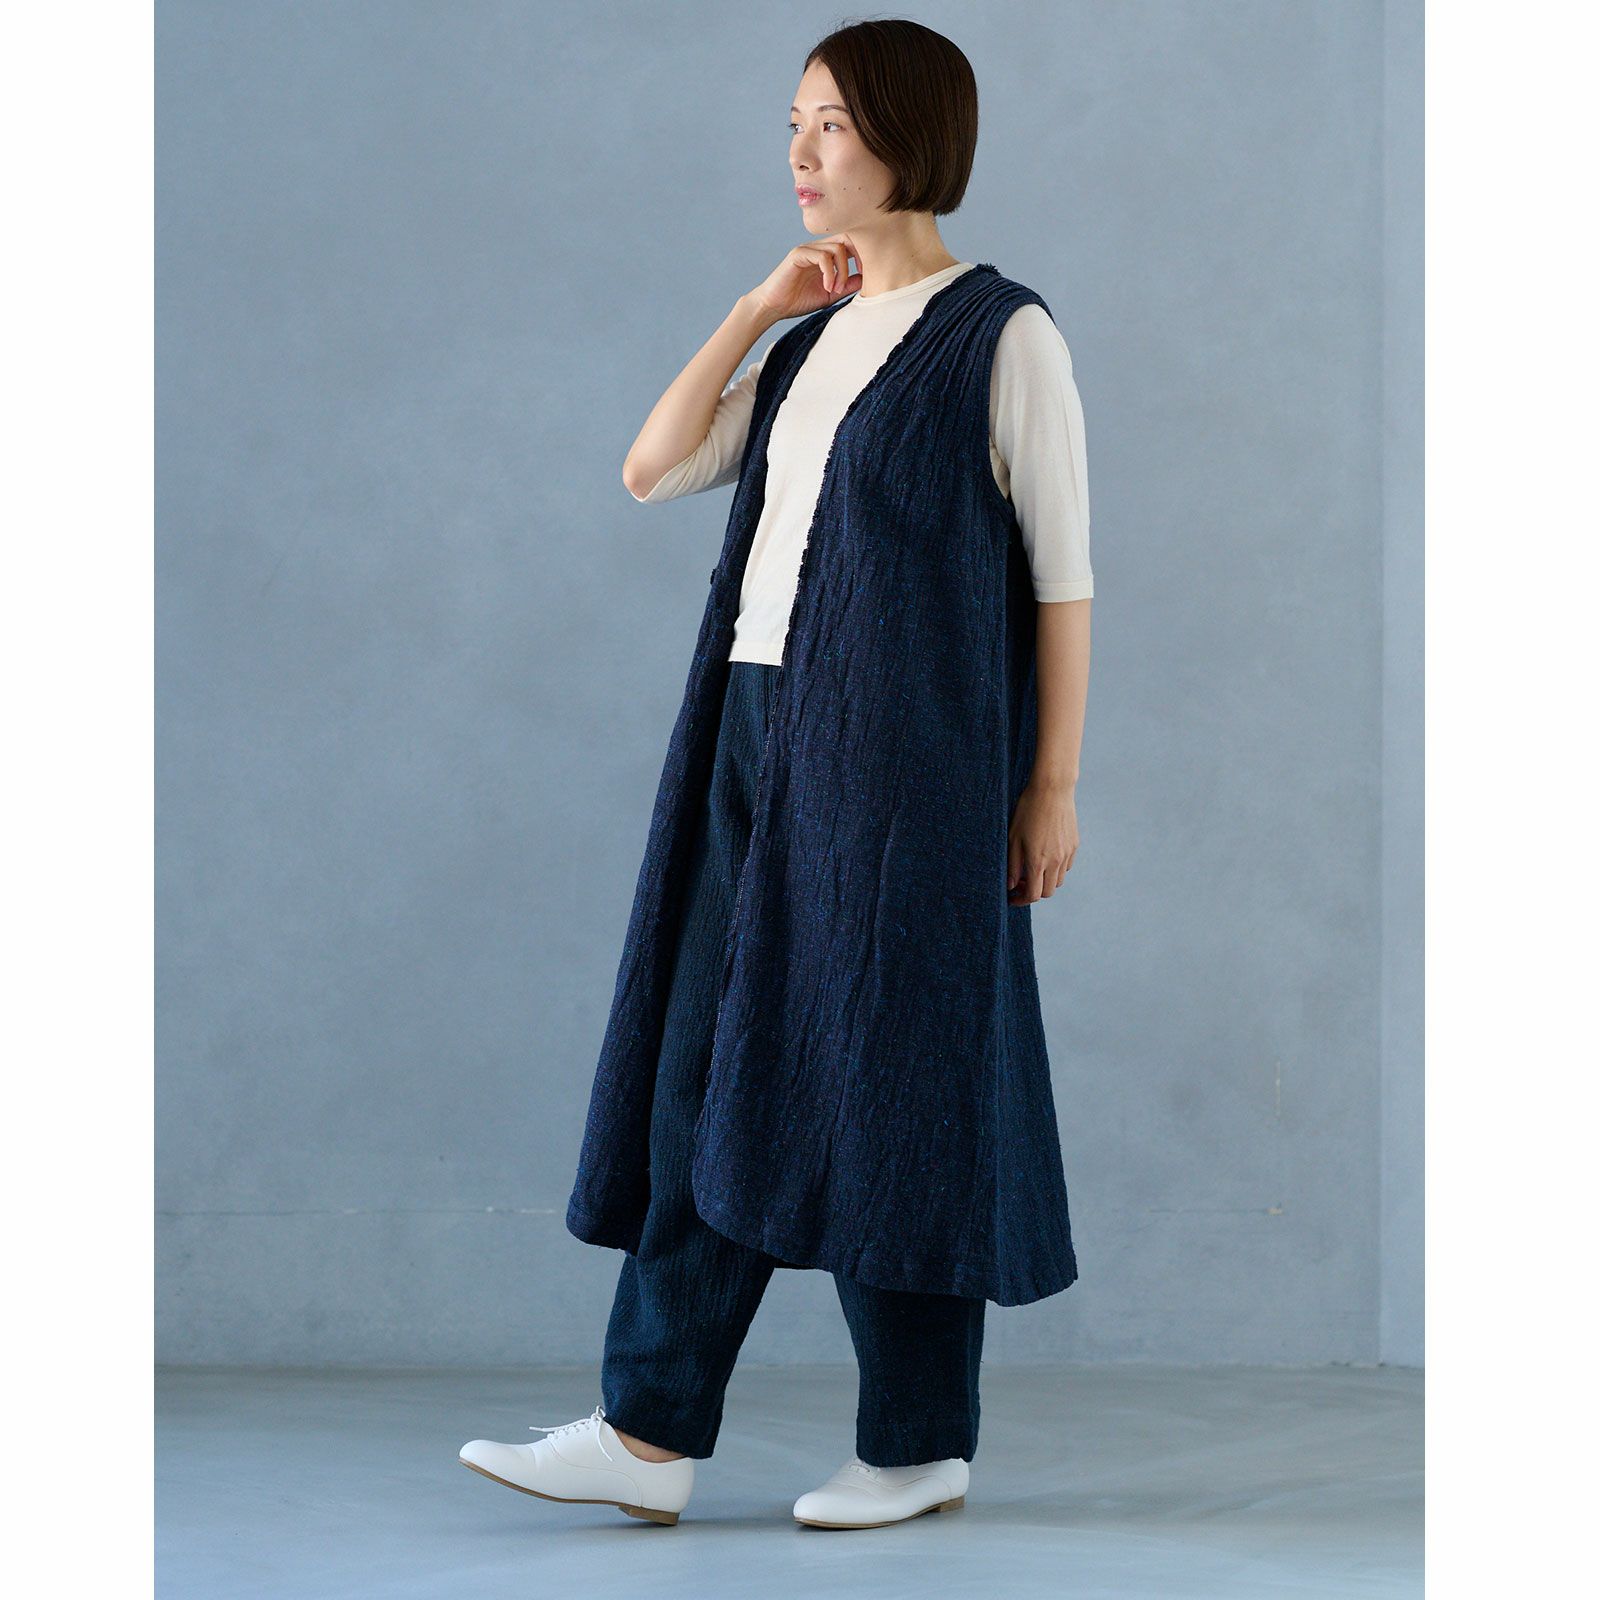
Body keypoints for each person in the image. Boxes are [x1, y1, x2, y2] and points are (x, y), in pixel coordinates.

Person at [461, 17, 1092, 1530]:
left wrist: (1049, 786)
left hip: (906, 767)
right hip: (749, 731)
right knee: (703, 1060)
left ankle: (917, 1443)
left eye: (832, 125)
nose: (801, 152)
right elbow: (654, 467)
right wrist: (754, 310)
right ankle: (650, 1433)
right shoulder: (807, 341)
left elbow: (1064, 577)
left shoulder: (1002, 335)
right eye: (794, 123)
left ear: (910, 136)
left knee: (896, 1073)